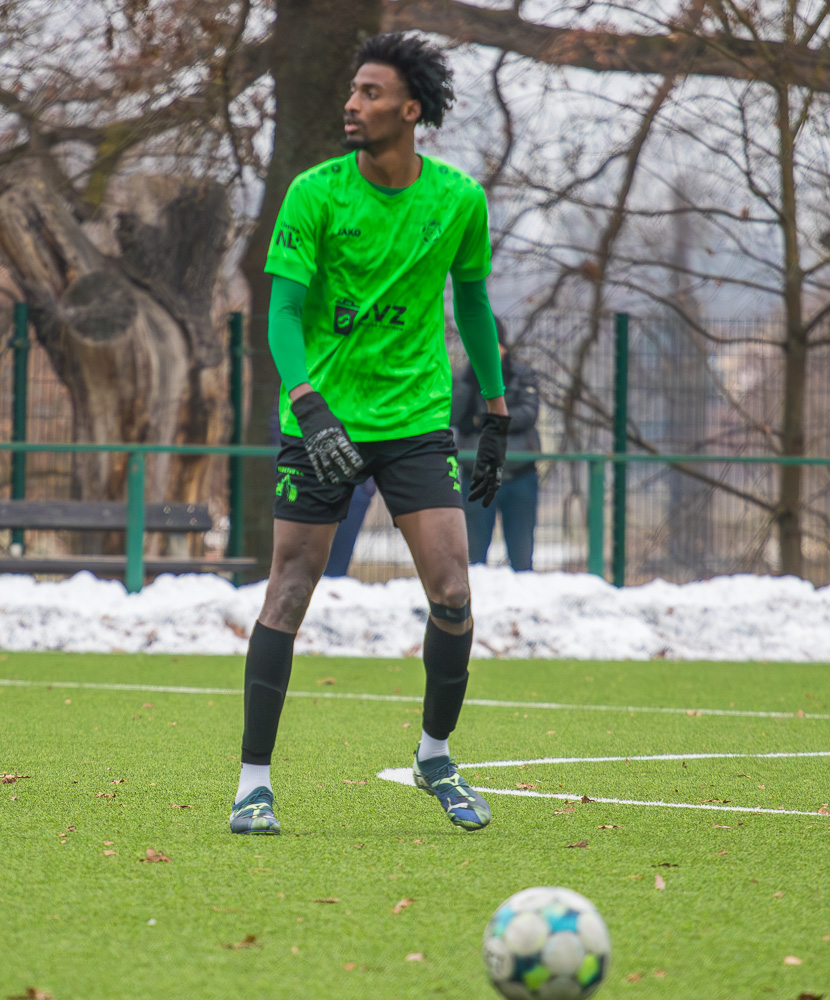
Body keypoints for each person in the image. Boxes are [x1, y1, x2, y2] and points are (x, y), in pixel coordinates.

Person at [229, 32, 510, 836]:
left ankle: (434, 757)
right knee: (289, 590)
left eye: (371, 93)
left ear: (411, 110)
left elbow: (474, 305)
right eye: (352, 91)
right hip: (322, 421)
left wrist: (495, 411)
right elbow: (282, 312)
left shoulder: (458, 199)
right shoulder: (314, 193)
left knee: (453, 591)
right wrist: (309, 403)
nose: (352, 104)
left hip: (416, 420)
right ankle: (253, 784)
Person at [452, 318, 541, 571]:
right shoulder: (465, 377)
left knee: (522, 559)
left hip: (520, 475)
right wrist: (471, 376)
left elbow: (528, 413)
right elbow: (452, 416)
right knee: (474, 559)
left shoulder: (521, 374)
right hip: (477, 475)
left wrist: (483, 420)